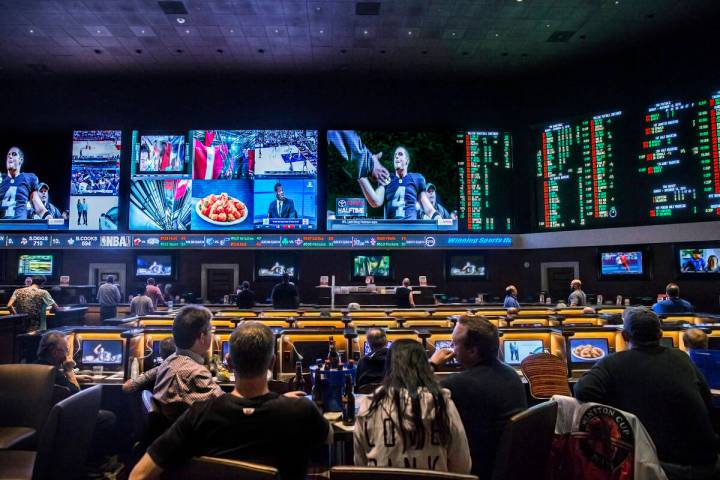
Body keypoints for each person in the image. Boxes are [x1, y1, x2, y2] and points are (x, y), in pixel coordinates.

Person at [129, 322, 331, 480]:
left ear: (229, 362)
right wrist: (285, 402)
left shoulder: (198, 414)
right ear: (272, 362)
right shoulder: (301, 410)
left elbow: (138, 474)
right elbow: (328, 437)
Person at [574, 308, 719, 479]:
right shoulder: (682, 358)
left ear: (625, 336)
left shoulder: (613, 363)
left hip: (658, 468)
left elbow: (582, 390)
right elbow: (709, 405)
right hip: (708, 465)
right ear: (660, 334)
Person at [430, 316, 527, 478]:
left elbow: (409, 397)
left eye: (454, 343)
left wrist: (431, 364)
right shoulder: (511, 375)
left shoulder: (458, 385)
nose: (451, 348)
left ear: (473, 351)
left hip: (477, 471)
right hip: (510, 469)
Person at [354, 339, 471, 474]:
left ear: (389, 366)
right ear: (423, 366)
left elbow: (361, 465)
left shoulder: (369, 405)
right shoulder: (442, 403)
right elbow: (462, 466)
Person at [36, 331, 117, 463]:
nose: (67, 355)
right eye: (65, 351)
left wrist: (73, 375)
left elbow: (57, 377)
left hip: (40, 419)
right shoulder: (55, 374)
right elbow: (77, 397)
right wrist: (69, 371)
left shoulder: (35, 365)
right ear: (54, 352)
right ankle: (92, 463)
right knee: (107, 418)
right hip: (61, 420)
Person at [151, 305, 223, 420]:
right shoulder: (194, 374)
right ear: (202, 336)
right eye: (211, 330)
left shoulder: (168, 362)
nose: (212, 334)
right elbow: (224, 409)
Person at [358, 145, 441, 221]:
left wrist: (438, 217)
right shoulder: (387, 178)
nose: (396, 156)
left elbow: (427, 207)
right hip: (391, 232)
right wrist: (361, 176)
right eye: (395, 156)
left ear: (407, 161)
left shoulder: (416, 178)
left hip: (411, 230)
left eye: (400, 154)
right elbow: (375, 202)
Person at [0, 146, 50, 220]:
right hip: (2, 228)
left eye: (14, 154)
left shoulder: (28, 178)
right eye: (8, 155)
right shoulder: (1, 179)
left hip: (20, 228)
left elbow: (39, 208)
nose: (10, 156)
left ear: (21, 160)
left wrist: (50, 219)